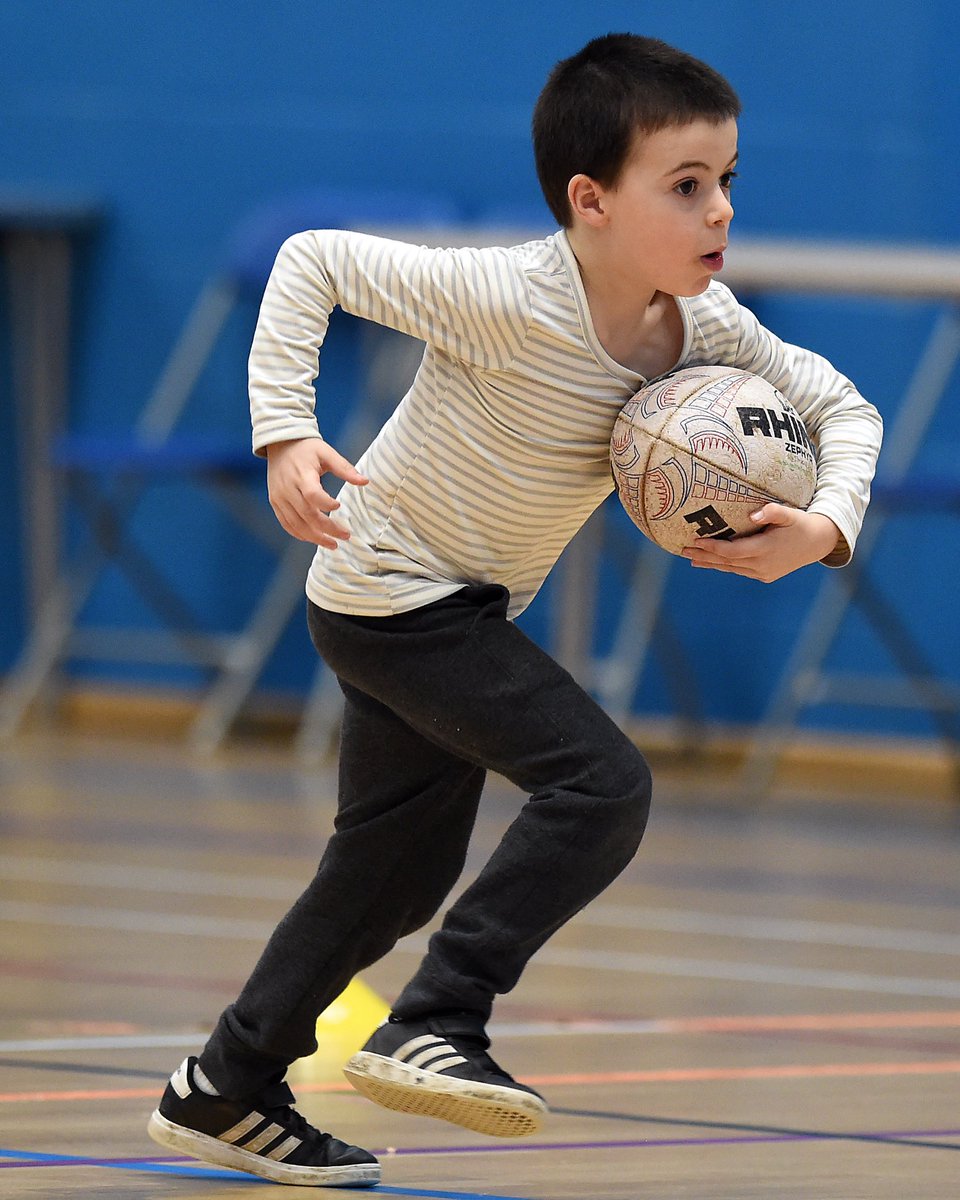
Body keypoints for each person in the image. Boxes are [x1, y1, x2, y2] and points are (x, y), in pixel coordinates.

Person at [147, 32, 882, 1188]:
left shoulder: (709, 333)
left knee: (391, 874)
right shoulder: (506, 296)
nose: (719, 212)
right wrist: (285, 429)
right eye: (685, 187)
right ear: (590, 201)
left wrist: (825, 526)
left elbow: (846, 410)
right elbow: (311, 262)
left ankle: (226, 1087)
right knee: (602, 782)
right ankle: (438, 1019)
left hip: (457, 604)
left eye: (728, 182)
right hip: (396, 594)